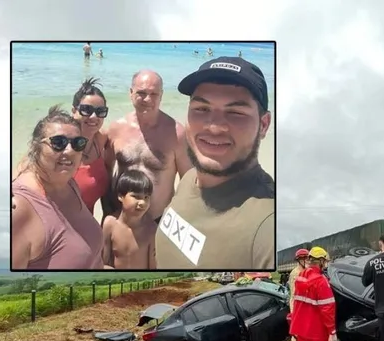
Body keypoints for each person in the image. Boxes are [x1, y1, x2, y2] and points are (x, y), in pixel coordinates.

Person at [155, 56, 275, 269]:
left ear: (264, 125)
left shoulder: (267, 227)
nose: (214, 127)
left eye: (236, 113)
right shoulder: (190, 179)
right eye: (201, 109)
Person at [11, 106, 104, 269]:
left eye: (78, 143)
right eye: (58, 143)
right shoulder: (19, 208)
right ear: (36, 147)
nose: (69, 150)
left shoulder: (69, 185)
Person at [104, 70, 192, 224]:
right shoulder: (116, 129)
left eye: (154, 94)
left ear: (161, 95)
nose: (147, 99)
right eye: (141, 93)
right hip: (121, 219)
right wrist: (107, 211)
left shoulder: (176, 133)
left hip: (158, 220)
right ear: (131, 93)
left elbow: (188, 181)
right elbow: (106, 173)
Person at [70, 77, 115, 213]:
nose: (94, 116)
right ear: (74, 111)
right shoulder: (61, 144)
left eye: (100, 111)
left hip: (88, 226)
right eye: (86, 110)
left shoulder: (101, 139)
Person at [101, 170, 157, 269]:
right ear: (120, 196)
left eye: (146, 197)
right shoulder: (110, 224)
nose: (142, 202)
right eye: (136, 196)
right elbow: (103, 262)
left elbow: (153, 267)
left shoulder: (151, 229)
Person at [287, 249, 310, 341]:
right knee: (296, 332)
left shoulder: (307, 271)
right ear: (299, 260)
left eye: (307, 258)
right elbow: (295, 294)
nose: (306, 260)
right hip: (297, 305)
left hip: (305, 305)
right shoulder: (295, 273)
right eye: (303, 258)